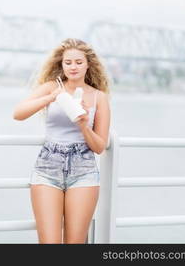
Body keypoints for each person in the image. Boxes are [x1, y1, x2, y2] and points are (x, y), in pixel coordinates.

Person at [13, 38, 110, 243]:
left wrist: (83, 123)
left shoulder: (99, 97)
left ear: (88, 64)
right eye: (68, 62)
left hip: (83, 169)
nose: (73, 67)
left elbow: (99, 146)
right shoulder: (51, 87)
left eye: (78, 62)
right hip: (48, 167)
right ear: (61, 64)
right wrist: (52, 98)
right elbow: (18, 113)